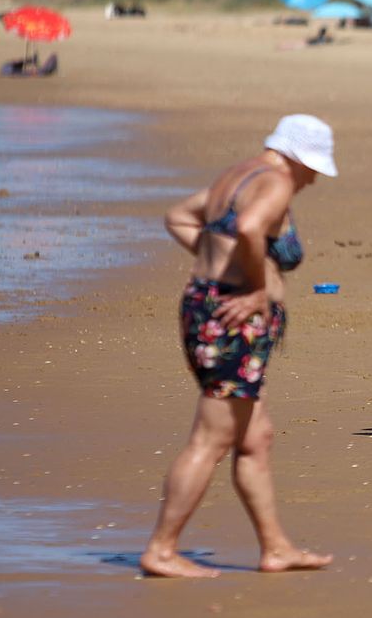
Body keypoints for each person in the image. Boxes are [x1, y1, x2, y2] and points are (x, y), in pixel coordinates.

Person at [140, 115, 337, 578]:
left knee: (254, 438)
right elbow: (249, 228)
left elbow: (179, 218)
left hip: (206, 306)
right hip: (230, 321)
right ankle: (161, 549)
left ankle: (275, 548)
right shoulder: (275, 182)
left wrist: (219, 267)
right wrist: (251, 287)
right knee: (211, 440)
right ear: (296, 156)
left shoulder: (239, 175)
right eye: (312, 169)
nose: (311, 180)